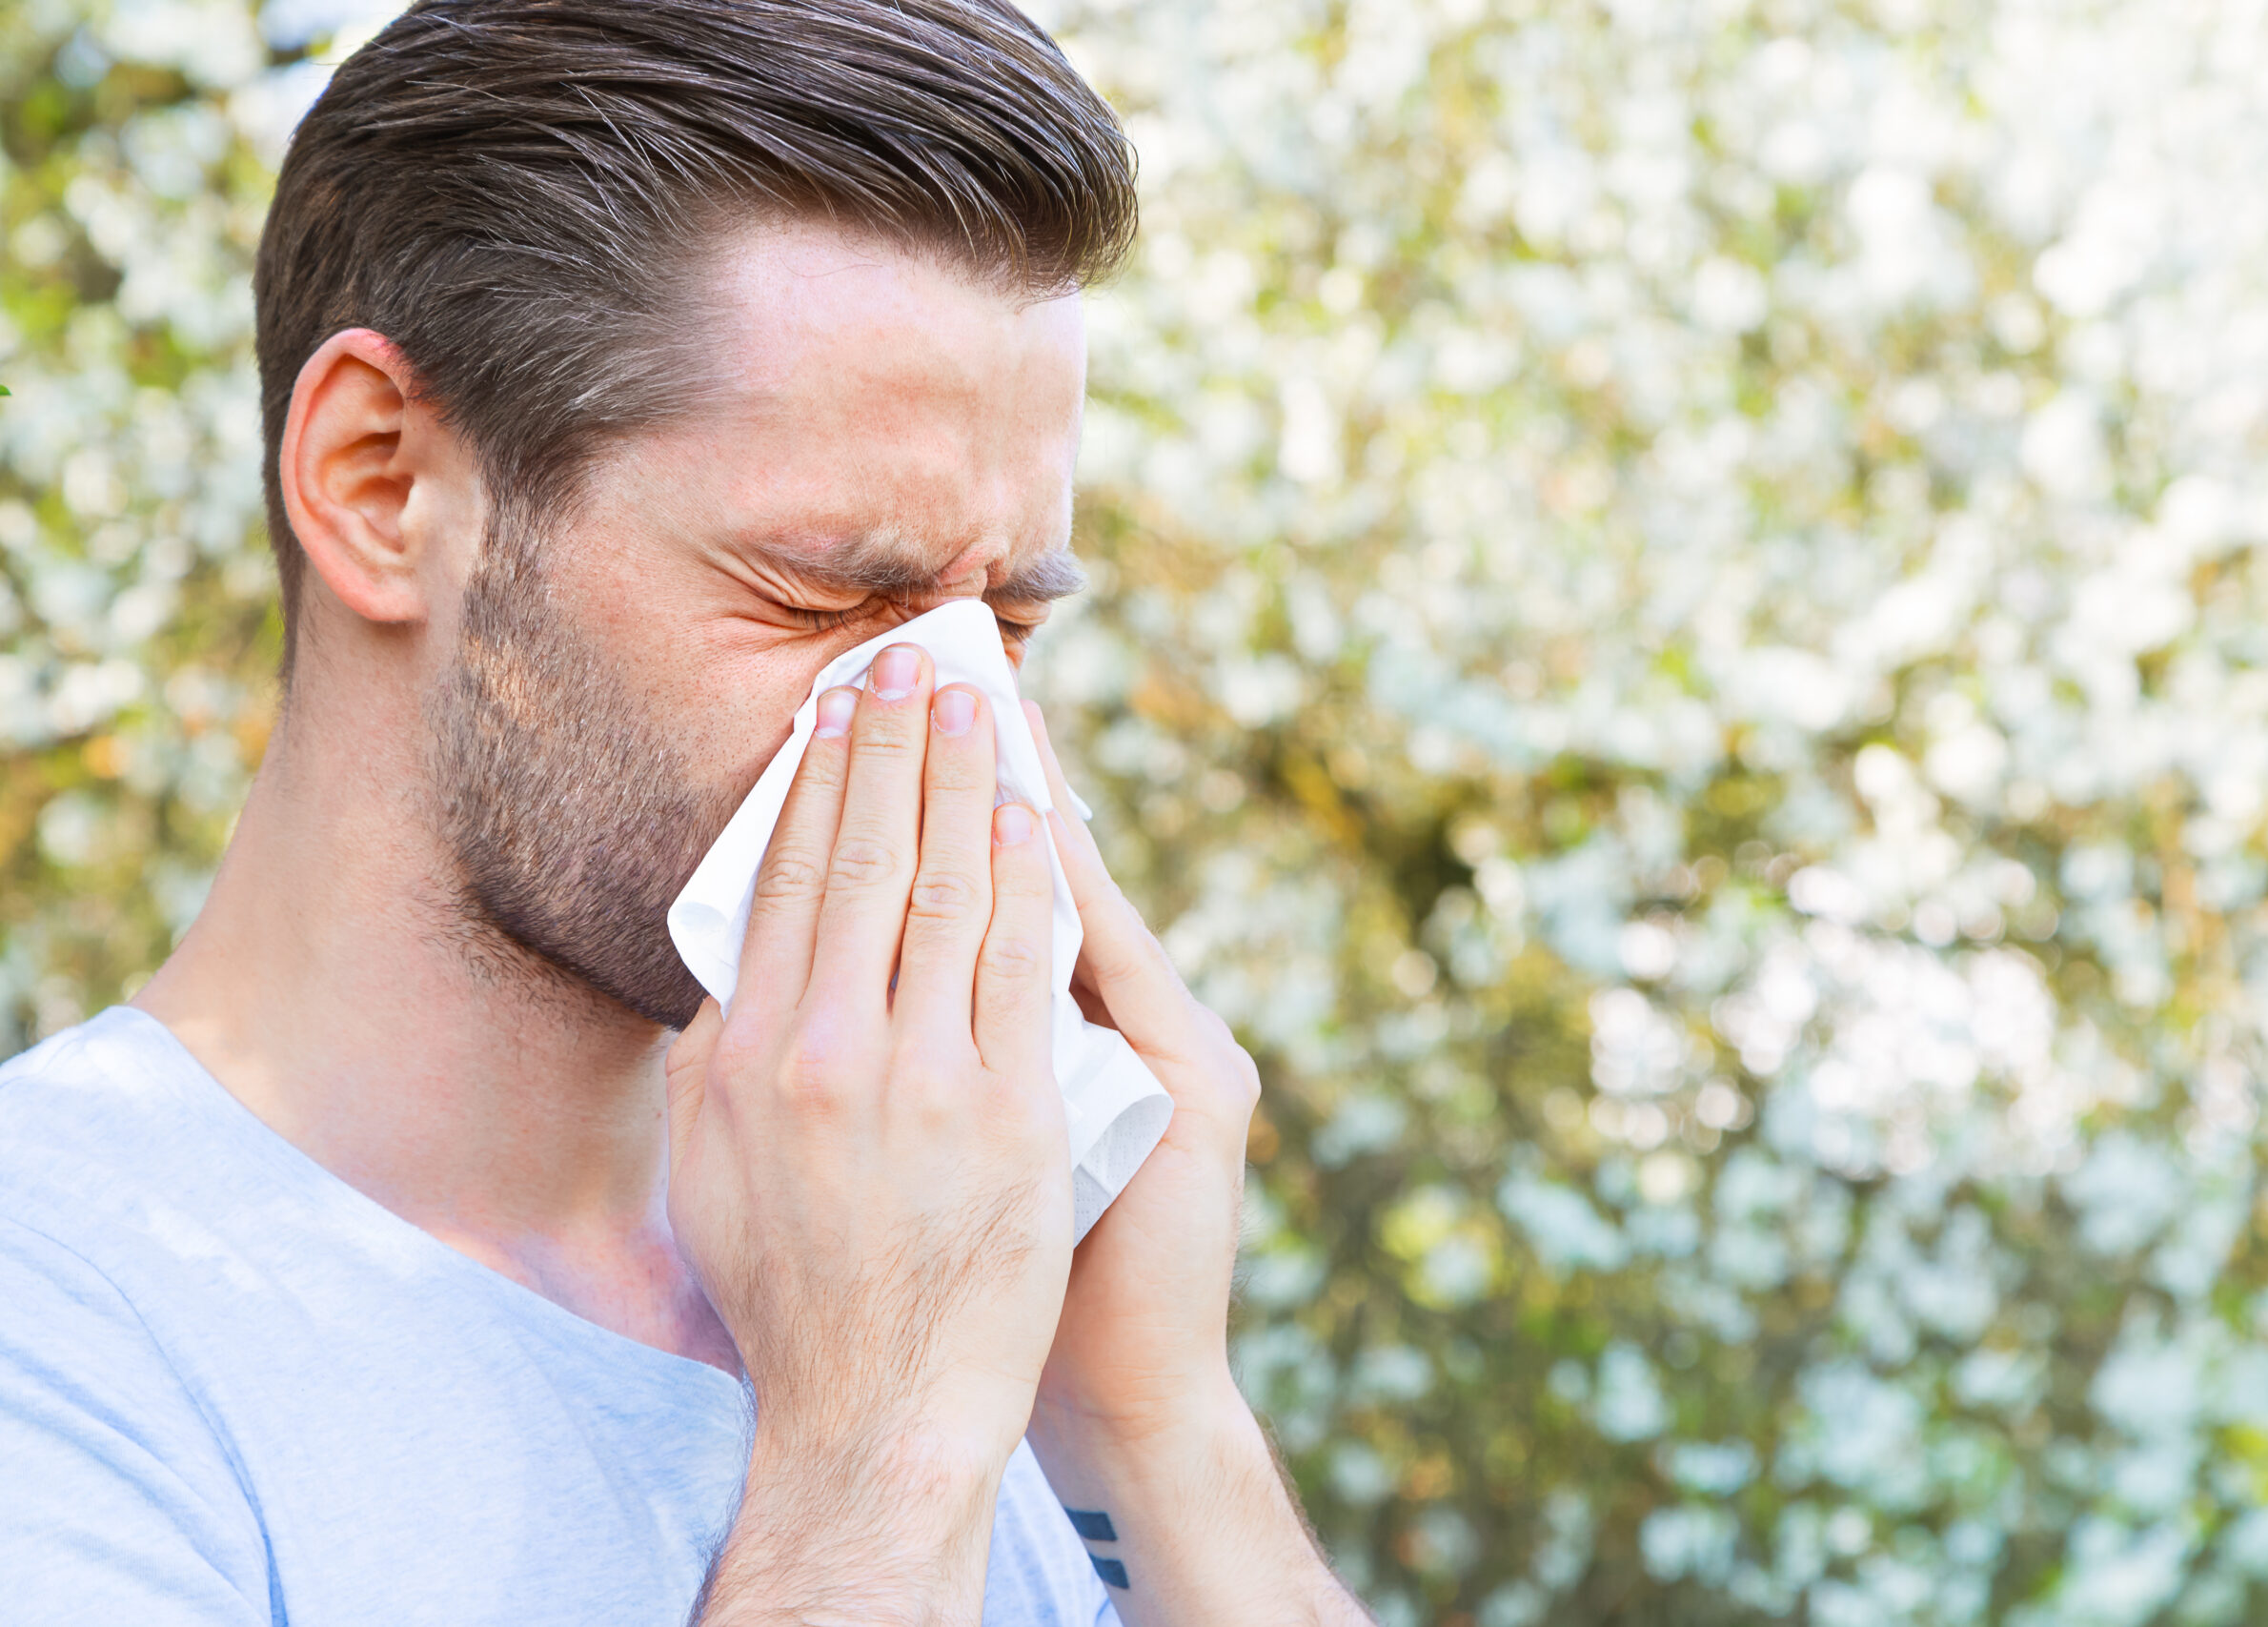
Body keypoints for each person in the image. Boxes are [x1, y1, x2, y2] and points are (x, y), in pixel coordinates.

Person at [0, 2, 1370, 1622]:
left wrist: (1155, 1429)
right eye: (816, 599)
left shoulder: (916, 1230)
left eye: (1003, 623)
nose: (963, 734)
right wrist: (873, 1464)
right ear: (382, 484)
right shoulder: (69, 1329)